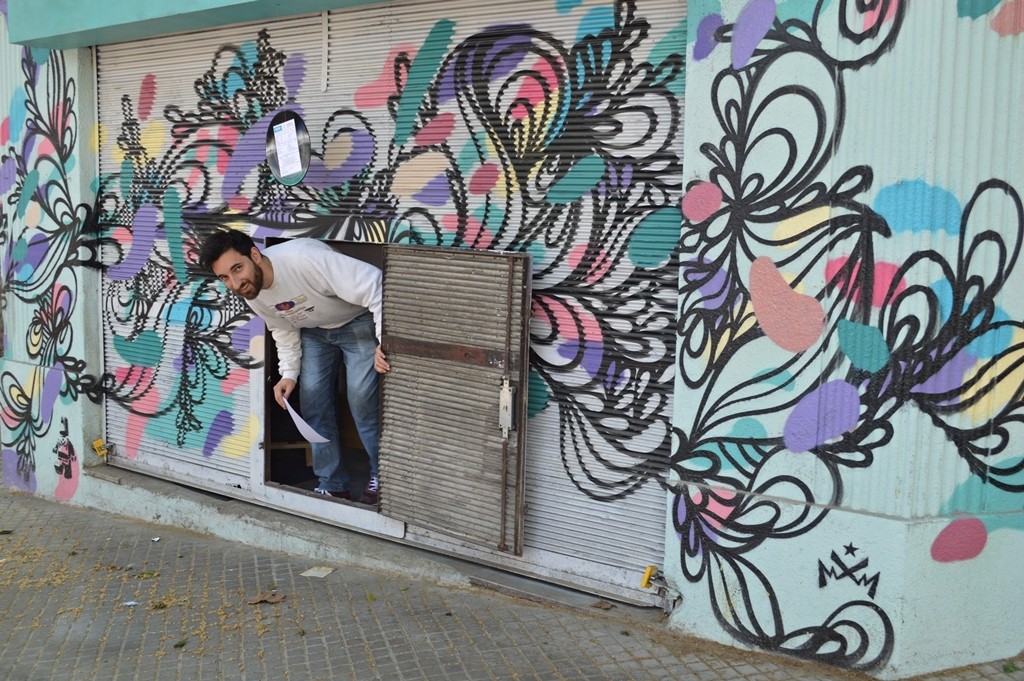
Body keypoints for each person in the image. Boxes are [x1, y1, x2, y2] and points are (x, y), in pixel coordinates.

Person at [199, 229, 390, 505]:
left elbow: (376, 284)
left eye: (237, 269)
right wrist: (289, 373)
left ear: (254, 254)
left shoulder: (304, 259)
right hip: (313, 330)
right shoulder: (250, 291)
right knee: (311, 399)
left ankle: (383, 476)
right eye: (224, 278)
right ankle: (333, 484)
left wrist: (386, 342)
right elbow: (282, 326)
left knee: (361, 399)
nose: (234, 283)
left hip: (357, 321)